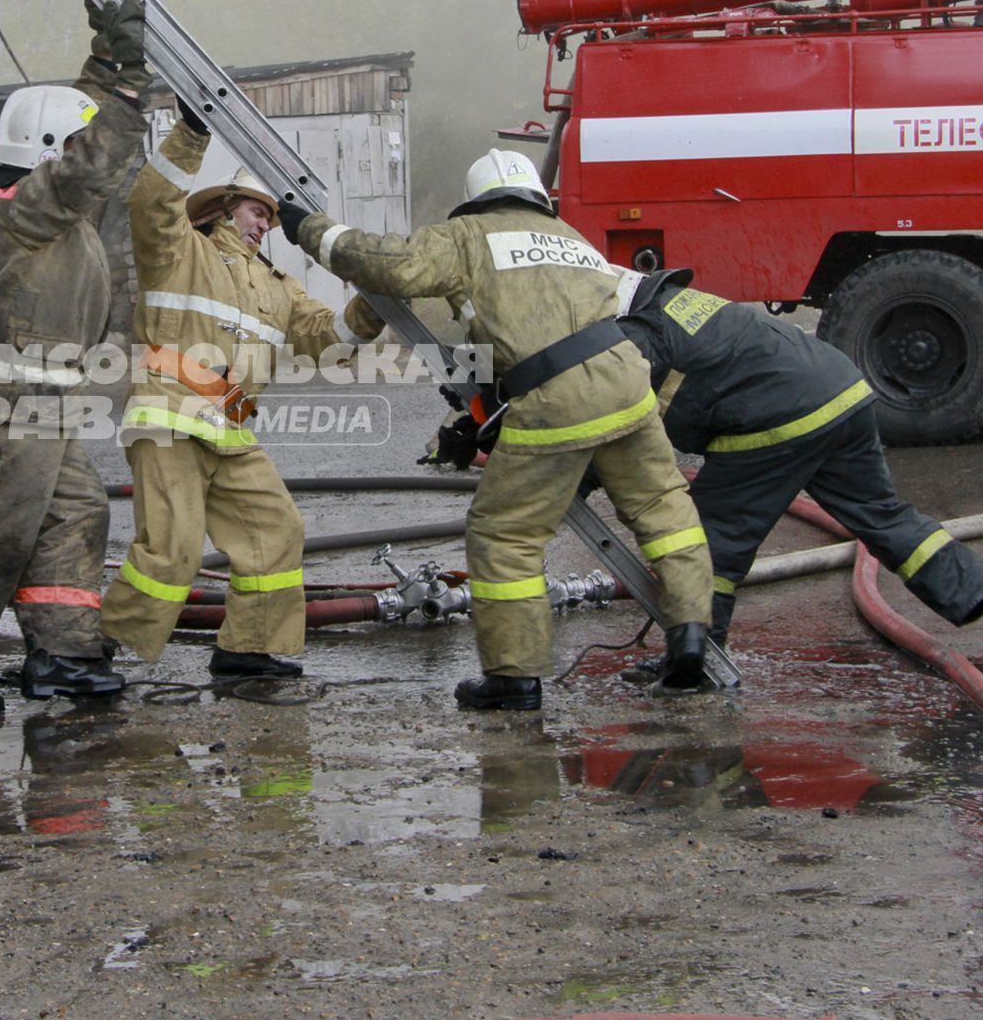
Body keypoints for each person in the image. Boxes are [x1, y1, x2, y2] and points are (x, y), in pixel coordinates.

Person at [281, 148, 713, 710]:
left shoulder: (467, 235)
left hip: (556, 397)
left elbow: (393, 265)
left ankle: (514, 678)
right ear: (535, 194)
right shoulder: (571, 238)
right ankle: (692, 640)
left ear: (478, 198)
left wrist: (311, 230)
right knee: (665, 511)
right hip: (627, 384)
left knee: (504, 535)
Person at [611, 268, 983, 676]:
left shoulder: (631, 336)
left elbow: (610, 424)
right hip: (841, 391)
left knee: (705, 541)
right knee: (884, 515)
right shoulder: (671, 301)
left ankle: (698, 661)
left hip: (774, 415)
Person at [0, 0, 152, 712]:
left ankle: (64, 651)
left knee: (75, 510)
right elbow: (88, 163)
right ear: (52, 150)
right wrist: (127, 85)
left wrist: (101, 69)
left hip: (42, 396)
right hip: (12, 398)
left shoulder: (34, 200)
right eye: (70, 145)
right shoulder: (16, 206)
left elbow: (77, 149)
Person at [97, 101, 385, 678]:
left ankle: (247, 648)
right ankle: (94, 648)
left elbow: (330, 340)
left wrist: (378, 297)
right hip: (171, 415)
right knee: (172, 552)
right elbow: (150, 202)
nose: (263, 225)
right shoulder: (181, 250)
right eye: (257, 211)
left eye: (271, 219)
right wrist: (192, 132)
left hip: (229, 427)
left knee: (276, 529)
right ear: (226, 208)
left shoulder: (279, 287)